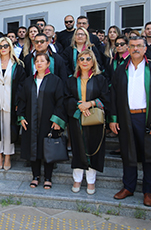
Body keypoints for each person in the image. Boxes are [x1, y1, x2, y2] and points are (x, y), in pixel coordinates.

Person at [108, 36, 151, 207]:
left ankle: (148, 191)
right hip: (126, 117)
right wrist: (113, 119)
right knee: (128, 153)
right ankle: (128, 187)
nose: (135, 49)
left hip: (146, 117)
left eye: (139, 46)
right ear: (128, 48)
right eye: (132, 46)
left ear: (145, 49)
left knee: (150, 155)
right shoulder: (121, 69)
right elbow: (113, 96)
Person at [17, 52, 71, 190]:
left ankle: (48, 177)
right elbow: (22, 100)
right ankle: (35, 176)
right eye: (37, 61)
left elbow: (60, 101)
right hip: (31, 121)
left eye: (42, 61)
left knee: (48, 149)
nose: (39, 63)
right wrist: (21, 117)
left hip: (49, 121)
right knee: (33, 149)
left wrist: (58, 120)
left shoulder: (56, 80)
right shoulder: (29, 81)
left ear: (48, 63)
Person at [65, 49, 110, 195]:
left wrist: (90, 104)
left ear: (93, 62)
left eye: (88, 59)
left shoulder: (100, 79)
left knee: (93, 149)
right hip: (76, 118)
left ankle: (91, 181)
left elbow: (106, 98)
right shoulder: (71, 80)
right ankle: (77, 179)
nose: (85, 62)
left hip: (93, 118)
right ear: (78, 62)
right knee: (78, 149)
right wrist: (79, 106)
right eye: (82, 59)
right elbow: (66, 98)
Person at [0, 37, 27, 172]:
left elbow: (22, 86)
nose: (3, 48)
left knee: (9, 131)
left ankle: (8, 157)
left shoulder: (18, 65)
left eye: (6, 46)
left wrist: (18, 103)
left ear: (10, 47)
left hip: (11, 102)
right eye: (0, 46)